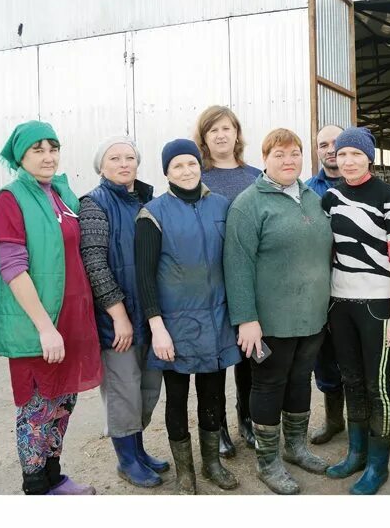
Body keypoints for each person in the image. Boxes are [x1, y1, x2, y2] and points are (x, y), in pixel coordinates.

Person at [0, 121, 102, 495]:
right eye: (37, 150)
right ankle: (35, 486)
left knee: (61, 404)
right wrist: (44, 327)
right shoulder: (11, 198)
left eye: (53, 148)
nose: (48, 156)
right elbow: (13, 268)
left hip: (70, 319)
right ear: (20, 156)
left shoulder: (60, 194)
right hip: (40, 323)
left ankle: (54, 477)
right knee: (37, 409)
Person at [223, 128, 333, 495]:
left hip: (312, 316)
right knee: (269, 384)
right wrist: (246, 319)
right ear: (265, 159)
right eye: (280, 154)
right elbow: (237, 266)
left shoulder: (311, 196)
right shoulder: (249, 204)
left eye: (295, 153)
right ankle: (268, 462)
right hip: (269, 321)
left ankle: (296, 447)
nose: (289, 161)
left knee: (301, 381)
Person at [135, 138, 242, 495]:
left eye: (191, 164)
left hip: (216, 319)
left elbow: (235, 263)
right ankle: (185, 472)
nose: (186, 170)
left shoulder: (222, 206)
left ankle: (212, 463)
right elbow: (144, 277)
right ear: (166, 171)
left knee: (214, 395)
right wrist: (157, 327)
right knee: (177, 397)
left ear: (201, 165)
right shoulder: (153, 213)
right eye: (177, 165)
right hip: (174, 324)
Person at [322, 127, 390, 495]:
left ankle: (377, 464)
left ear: (369, 157)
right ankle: (355, 452)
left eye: (356, 154)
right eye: (342, 155)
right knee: (351, 380)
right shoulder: (329, 196)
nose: (348, 161)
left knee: (378, 386)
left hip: (378, 304)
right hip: (340, 303)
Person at [80, 136, 168, 488]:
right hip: (117, 319)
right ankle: (126, 460)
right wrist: (118, 316)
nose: (123, 163)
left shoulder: (149, 200)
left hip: (149, 313)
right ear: (101, 166)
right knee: (123, 391)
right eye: (114, 158)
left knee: (147, 389)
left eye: (129, 157)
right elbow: (95, 263)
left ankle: (139, 449)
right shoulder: (94, 204)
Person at [195, 105, 261, 456]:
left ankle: (246, 420)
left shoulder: (255, 176)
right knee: (218, 357)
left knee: (251, 355)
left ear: (237, 134)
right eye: (213, 130)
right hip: (211, 282)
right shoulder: (197, 177)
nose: (221, 135)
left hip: (250, 278)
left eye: (226, 128)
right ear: (204, 138)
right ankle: (217, 425)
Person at [305, 123, 346, 445]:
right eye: (323, 144)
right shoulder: (306, 192)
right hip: (320, 291)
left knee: (359, 360)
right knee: (326, 360)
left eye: (337, 142)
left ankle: (367, 424)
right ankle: (334, 420)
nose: (330, 149)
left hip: (360, 290)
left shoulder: (366, 186)